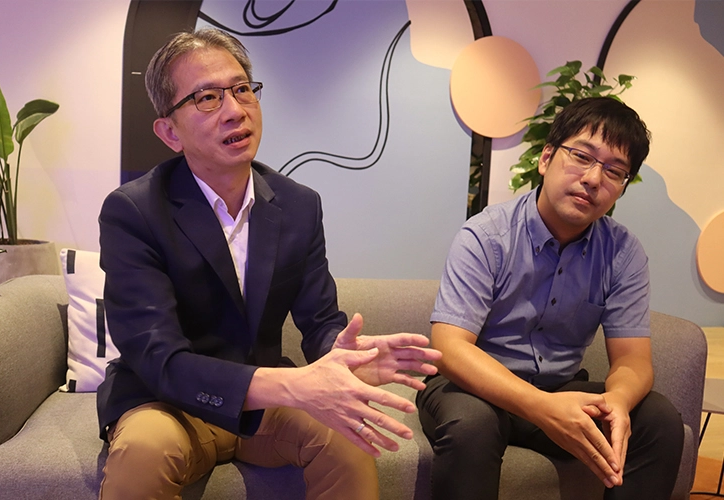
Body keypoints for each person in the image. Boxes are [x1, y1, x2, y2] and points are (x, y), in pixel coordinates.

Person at [96, 28, 441, 500]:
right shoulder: (134, 211)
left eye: (241, 89)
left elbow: (320, 320)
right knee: (142, 453)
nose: (235, 110)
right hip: (166, 400)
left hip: (262, 407)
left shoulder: (298, 205)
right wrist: (292, 385)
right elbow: (157, 357)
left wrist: (346, 358)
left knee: (347, 436)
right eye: (207, 98)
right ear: (169, 132)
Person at [416, 97, 684, 500]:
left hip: (560, 389)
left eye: (615, 171)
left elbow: (632, 359)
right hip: (473, 389)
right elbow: (450, 348)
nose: (594, 179)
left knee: (658, 419)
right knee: (472, 424)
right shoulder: (486, 237)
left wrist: (618, 401)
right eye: (582, 156)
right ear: (546, 158)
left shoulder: (622, 253)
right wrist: (540, 406)